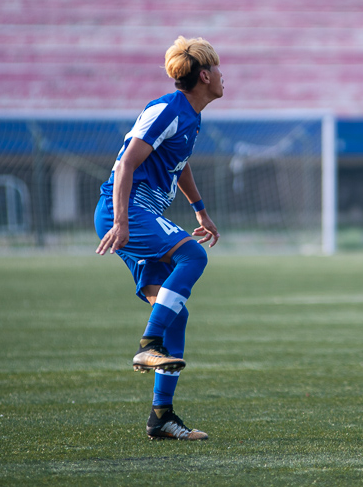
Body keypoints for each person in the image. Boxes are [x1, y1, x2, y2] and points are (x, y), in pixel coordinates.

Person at [95, 36, 223, 441]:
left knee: (178, 314)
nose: (223, 77)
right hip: (128, 210)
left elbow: (177, 165)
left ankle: (161, 417)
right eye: (218, 69)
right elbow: (128, 161)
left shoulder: (190, 116)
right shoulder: (168, 108)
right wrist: (122, 221)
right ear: (204, 75)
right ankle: (148, 343)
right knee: (193, 258)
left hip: (139, 213)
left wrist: (200, 210)